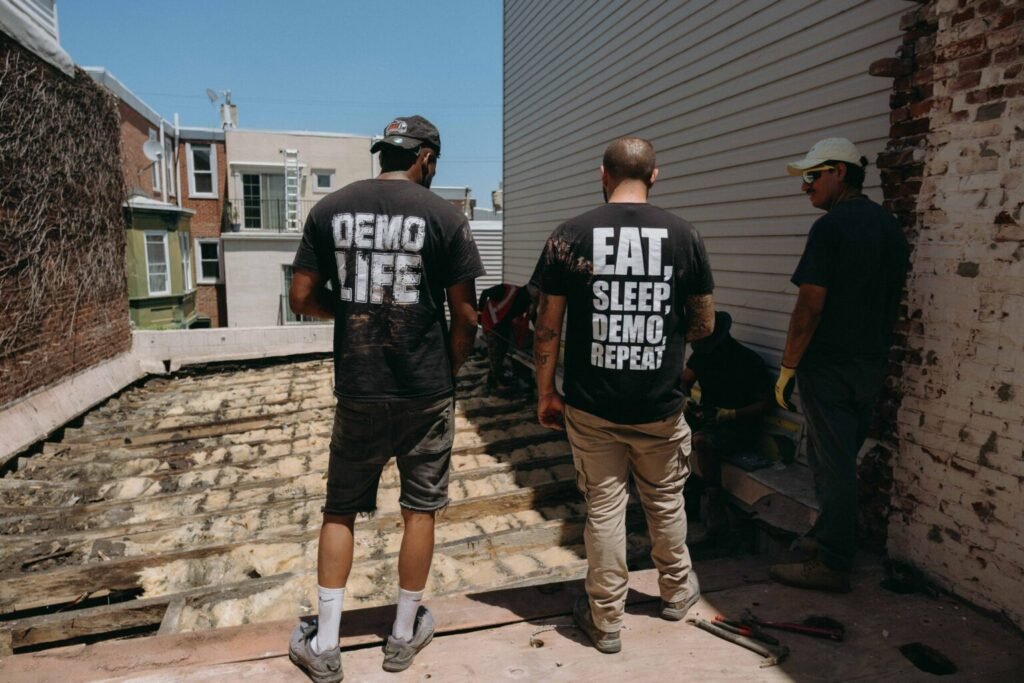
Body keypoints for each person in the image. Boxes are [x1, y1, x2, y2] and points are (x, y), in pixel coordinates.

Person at [287, 115, 484, 682]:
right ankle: (400, 637)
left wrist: (350, 310)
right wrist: (447, 369)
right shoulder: (446, 217)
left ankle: (325, 643)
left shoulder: (330, 210)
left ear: (385, 153)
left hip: (360, 386)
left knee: (340, 508)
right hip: (426, 390)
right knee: (419, 509)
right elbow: (467, 317)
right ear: (426, 158)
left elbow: (301, 297)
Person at [533, 136, 715, 654]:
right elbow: (703, 324)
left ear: (603, 174)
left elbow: (547, 326)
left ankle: (606, 619)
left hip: (592, 405)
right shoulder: (684, 235)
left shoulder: (570, 235)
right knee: (666, 500)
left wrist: (546, 392)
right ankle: (676, 593)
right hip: (660, 404)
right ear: (655, 176)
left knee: (605, 509)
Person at [770, 137, 909, 593]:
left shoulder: (830, 228)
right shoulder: (888, 227)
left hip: (829, 365)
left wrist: (788, 366)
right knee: (838, 457)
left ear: (840, 173)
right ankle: (826, 536)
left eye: (813, 176)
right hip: (870, 364)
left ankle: (832, 562)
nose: (805, 186)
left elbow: (809, 306)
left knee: (833, 464)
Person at [682, 310, 773, 541]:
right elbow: (684, 381)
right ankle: (685, 492)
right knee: (667, 427)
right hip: (710, 418)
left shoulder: (747, 361)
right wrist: (685, 401)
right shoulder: (702, 357)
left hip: (740, 425)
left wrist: (732, 414)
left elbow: (764, 404)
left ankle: (715, 504)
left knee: (703, 441)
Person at [477, 281, 536, 390]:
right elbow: (485, 292)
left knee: (502, 351)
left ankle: (493, 379)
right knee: (495, 352)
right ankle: (496, 382)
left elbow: (533, 318)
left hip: (504, 325)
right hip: (491, 322)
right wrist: (479, 312)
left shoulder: (527, 301)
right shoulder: (507, 290)